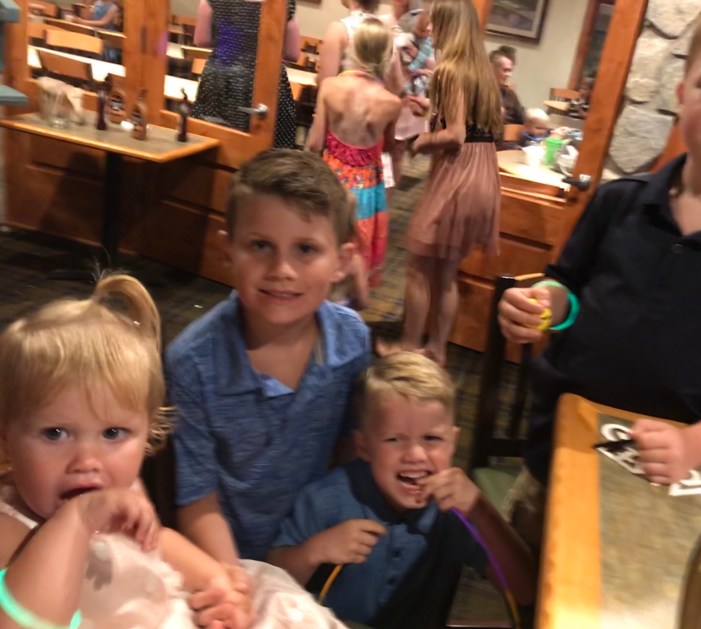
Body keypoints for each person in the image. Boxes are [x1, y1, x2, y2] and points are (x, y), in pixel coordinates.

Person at [497, 0, 701, 554]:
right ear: (683, 91)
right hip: (558, 442)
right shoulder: (617, 202)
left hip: (662, 467)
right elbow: (568, 289)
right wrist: (542, 303)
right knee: (533, 562)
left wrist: (695, 444)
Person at [0, 273, 346, 628]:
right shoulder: (10, 526)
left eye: (113, 433)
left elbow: (156, 542)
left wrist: (216, 582)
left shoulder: (125, 489)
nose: (86, 462)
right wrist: (77, 520)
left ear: (148, 432)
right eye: (55, 433)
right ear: (5, 438)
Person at [167, 149, 371, 566]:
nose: (282, 269)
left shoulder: (352, 341)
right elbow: (197, 499)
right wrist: (236, 582)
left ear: (341, 261)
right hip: (229, 561)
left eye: (306, 249)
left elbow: (349, 449)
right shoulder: (192, 362)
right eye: (260, 245)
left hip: (320, 550)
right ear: (228, 249)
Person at [272, 352, 535, 628]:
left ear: (453, 441)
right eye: (395, 439)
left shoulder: (457, 512)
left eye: (432, 438)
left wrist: (480, 509)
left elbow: (525, 591)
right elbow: (273, 580)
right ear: (363, 446)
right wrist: (314, 551)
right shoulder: (325, 499)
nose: (416, 455)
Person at [381, 0, 502, 367]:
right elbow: (472, 126)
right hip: (483, 172)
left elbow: (455, 134)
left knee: (418, 264)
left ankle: (407, 348)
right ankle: (435, 350)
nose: (429, 29)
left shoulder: (448, 69)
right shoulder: (480, 70)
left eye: (435, 23)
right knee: (446, 272)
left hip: (458, 173)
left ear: (451, 25)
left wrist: (421, 142)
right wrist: (430, 111)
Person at [306, 17, 402, 289]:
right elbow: (389, 147)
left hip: (330, 178)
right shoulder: (392, 103)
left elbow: (314, 144)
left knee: (323, 244)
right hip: (368, 186)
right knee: (356, 251)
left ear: (355, 48)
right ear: (386, 55)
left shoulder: (330, 86)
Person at [192, 0, 300, 147]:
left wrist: (229, 44)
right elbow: (292, 54)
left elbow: (201, 40)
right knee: (267, 145)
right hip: (266, 77)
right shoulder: (284, 3)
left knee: (212, 141)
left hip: (221, 77)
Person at [489, 49, 523, 125]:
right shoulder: (478, 91)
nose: (509, 75)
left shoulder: (510, 94)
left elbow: (521, 116)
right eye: (505, 70)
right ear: (491, 68)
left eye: (510, 71)